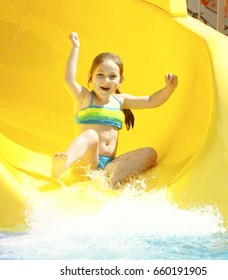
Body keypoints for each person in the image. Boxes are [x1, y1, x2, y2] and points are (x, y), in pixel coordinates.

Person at [51, 32, 178, 186]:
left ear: (120, 80)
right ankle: (64, 164)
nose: (106, 80)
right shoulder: (84, 97)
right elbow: (68, 79)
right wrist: (75, 48)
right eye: (100, 75)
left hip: (109, 166)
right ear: (90, 77)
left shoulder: (120, 100)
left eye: (112, 76)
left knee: (150, 153)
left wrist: (169, 88)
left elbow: (151, 101)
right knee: (90, 135)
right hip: (87, 163)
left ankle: (109, 182)